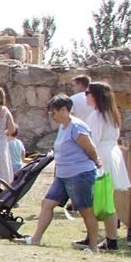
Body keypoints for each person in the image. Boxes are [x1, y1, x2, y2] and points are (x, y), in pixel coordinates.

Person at [22, 94, 104, 250]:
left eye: (53, 112)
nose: (51, 115)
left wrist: (96, 162)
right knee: (47, 203)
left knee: (86, 211)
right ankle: (35, 239)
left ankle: (93, 247)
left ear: (64, 110)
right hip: (63, 175)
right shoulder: (62, 126)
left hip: (79, 174)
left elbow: (90, 148)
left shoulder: (77, 127)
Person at [85, 80, 131, 250]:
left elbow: (93, 140)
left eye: (88, 93)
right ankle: (109, 239)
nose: (86, 97)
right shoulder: (111, 115)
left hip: (101, 156)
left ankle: (95, 237)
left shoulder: (97, 116)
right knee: (106, 199)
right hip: (111, 154)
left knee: (96, 200)